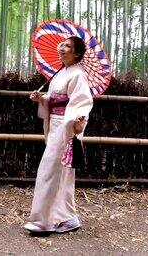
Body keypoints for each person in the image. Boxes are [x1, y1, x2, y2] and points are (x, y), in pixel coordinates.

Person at [24, 35, 94, 234]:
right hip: (55, 125)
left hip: (66, 127)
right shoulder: (60, 73)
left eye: (68, 46)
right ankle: (68, 217)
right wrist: (42, 99)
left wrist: (76, 121)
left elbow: (81, 102)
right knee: (61, 173)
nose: (62, 48)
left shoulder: (78, 75)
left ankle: (43, 221)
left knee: (50, 171)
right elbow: (55, 100)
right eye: (62, 44)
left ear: (77, 53)